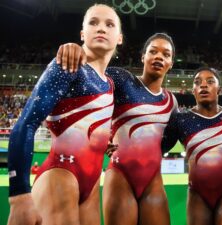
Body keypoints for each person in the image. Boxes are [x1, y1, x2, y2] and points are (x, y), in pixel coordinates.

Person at [7, 4, 122, 225]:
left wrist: (102, 140)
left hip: (92, 186)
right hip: (60, 175)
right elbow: (26, 124)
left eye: (109, 24)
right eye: (93, 22)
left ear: (119, 38)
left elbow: (87, 120)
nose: (101, 28)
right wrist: (19, 196)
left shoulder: (109, 84)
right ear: (82, 34)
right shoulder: (70, 64)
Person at [56, 32, 177, 225]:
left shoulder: (171, 101)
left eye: (166, 54)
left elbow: (170, 139)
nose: (159, 57)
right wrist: (79, 54)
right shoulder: (122, 79)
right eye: (153, 51)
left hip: (153, 180)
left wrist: (152, 153)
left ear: (171, 63)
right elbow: (89, 82)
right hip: (121, 175)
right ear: (143, 56)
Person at [162, 67, 222, 225]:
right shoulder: (181, 120)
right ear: (193, 90)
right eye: (198, 82)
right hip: (196, 195)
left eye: (210, 81)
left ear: (219, 89)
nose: (203, 85)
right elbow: (157, 148)